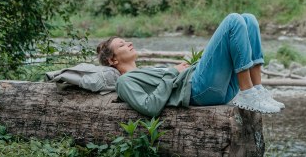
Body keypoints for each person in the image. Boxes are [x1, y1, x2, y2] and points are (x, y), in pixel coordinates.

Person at [96, 13, 284, 117]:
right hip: (198, 90)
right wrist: (172, 71)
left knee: (249, 19)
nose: (128, 43)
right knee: (233, 20)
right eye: (121, 45)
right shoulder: (124, 82)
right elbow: (149, 107)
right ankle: (247, 92)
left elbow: (169, 80)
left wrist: (184, 68)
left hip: (212, 86)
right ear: (113, 60)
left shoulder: (145, 70)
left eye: (126, 41)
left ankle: (257, 89)